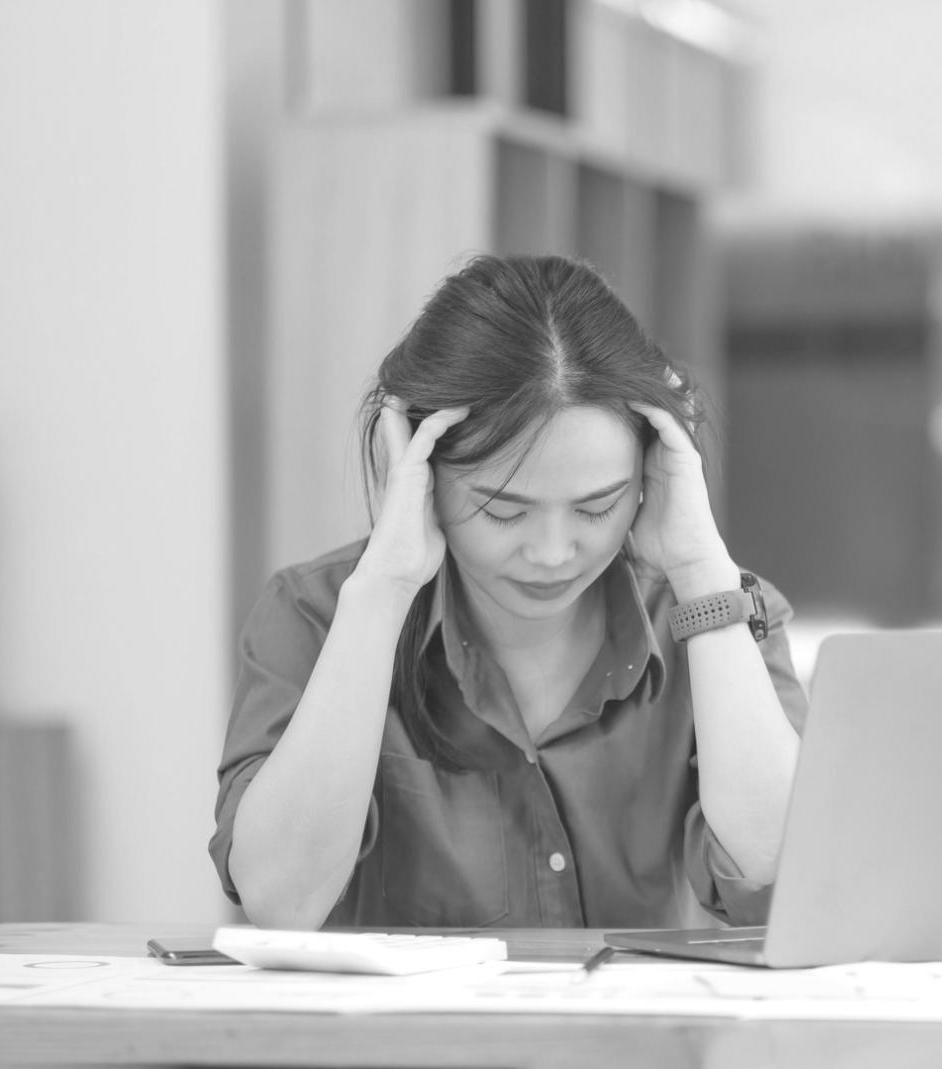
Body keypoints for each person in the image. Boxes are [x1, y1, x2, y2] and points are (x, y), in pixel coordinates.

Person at [209, 255, 806, 931]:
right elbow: (281, 901)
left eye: (596, 507)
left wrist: (698, 568)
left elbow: (784, 879)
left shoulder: (716, 612)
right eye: (502, 510)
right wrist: (384, 588)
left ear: (649, 476)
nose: (551, 553)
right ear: (418, 473)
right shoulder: (313, 616)